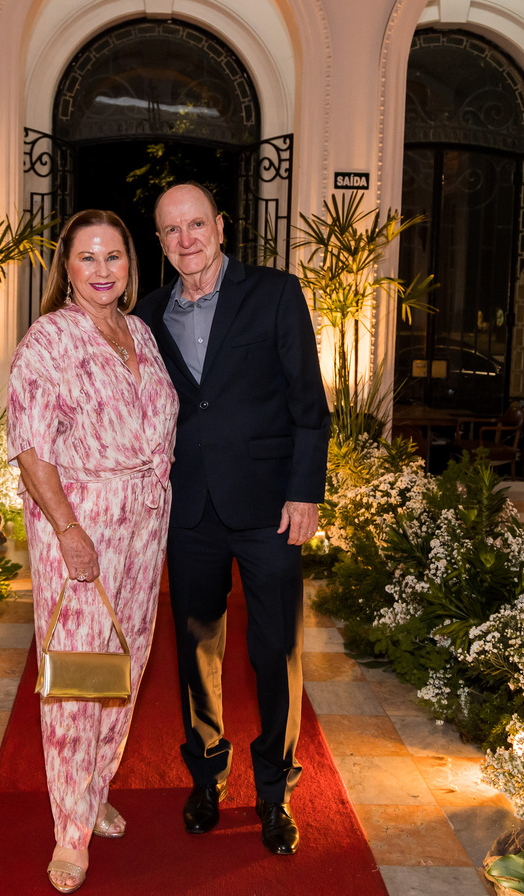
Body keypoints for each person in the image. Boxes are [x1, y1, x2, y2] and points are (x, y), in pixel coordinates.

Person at [133, 183, 330, 856]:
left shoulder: (276, 293)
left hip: (270, 507)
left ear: (220, 225)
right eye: (170, 230)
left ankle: (274, 790)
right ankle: (206, 775)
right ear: (159, 243)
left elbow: (310, 403)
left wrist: (304, 493)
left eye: (195, 224)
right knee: (195, 650)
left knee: (275, 652)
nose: (185, 239)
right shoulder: (148, 313)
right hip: (188, 510)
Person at [7, 209, 179, 894]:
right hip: (81, 528)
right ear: (66, 269)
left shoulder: (139, 331)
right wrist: (71, 531)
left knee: (126, 668)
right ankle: (68, 832)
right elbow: (30, 448)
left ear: (129, 266)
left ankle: (92, 787)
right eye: (88, 258)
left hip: (144, 527)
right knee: (78, 678)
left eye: (114, 257)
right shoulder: (48, 339)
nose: (103, 270)